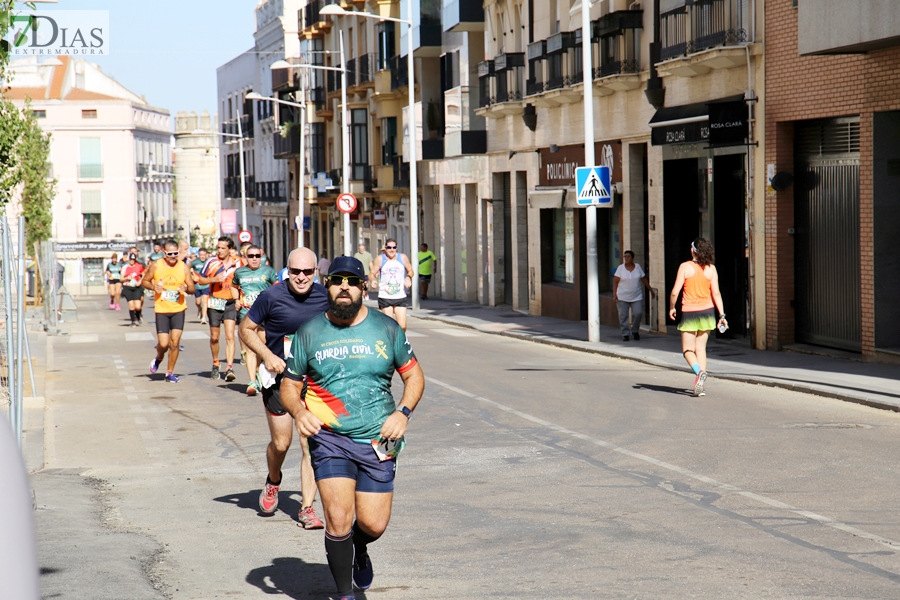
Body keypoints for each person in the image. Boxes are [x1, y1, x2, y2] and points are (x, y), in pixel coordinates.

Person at [281, 256, 424, 599]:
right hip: (329, 438)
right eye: (336, 280)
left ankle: (360, 547)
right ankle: (345, 593)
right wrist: (299, 412)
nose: (343, 287)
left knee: (373, 524)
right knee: (338, 516)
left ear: (363, 287)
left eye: (351, 281)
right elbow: (289, 384)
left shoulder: (387, 329)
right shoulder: (309, 332)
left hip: (379, 438)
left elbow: (414, 376)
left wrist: (403, 412)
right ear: (326, 285)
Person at [238, 247, 329, 529]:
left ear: (316, 272)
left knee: (310, 445)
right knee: (281, 443)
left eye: (308, 272)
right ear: (286, 270)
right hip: (278, 379)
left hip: (312, 381)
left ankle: (307, 509)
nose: (301, 277)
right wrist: (267, 356)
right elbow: (245, 329)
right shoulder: (271, 296)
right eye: (295, 271)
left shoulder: (326, 297)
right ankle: (273, 480)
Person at [668, 238, 728, 397]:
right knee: (701, 348)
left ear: (693, 251)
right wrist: (722, 315)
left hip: (689, 312)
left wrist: (672, 307)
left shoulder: (685, 267)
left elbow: (675, 292)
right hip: (707, 312)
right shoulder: (711, 269)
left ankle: (699, 373)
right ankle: (700, 382)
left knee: (687, 350)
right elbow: (716, 293)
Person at [142, 240, 194, 383]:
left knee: (175, 342)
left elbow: (192, 288)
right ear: (164, 253)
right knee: (164, 344)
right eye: (169, 254)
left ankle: (169, 372)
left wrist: (186, 289)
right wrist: (154, 288)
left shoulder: (183, 267)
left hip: (178, 309)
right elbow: (144, 281)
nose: (172, 256)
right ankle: (159, 357)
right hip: (162, 309)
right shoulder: (156, 265)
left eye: (175, 253)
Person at [233, 245, 278, 395]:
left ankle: (259, 373)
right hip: (246, 314)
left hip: (265, 316)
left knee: (263, 347)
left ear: (261, 257)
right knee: (250, 349)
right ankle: (252, 381)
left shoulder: (269, 271)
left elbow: (277, 288)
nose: (254, 258)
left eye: (257, 256)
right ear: (245, 257)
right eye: (251, 256)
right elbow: (234, 286)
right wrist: (236, 300)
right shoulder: (239, 272)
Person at [197, 236, 243, 381]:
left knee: (230, 336)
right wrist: (214, 279)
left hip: (230, 302)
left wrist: (240, 298)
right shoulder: (212, 262)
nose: (220, 250)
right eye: (218, 248)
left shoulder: (238, 262)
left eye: (223, 248)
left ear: (230, 249)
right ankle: (216, 363)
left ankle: (229, 367)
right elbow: (200, 279)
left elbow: (242, 280)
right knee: (214, 337)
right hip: (215, 302)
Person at [369, 238, 414, 332]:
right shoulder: (380, 259)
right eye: (389, 247)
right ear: (385, 248)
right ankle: (391, 345)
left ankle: (399, 343)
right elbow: (372, 273)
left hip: (400, 296)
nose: (391, 249)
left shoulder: (402, 257)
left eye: (394, 247)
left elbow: (410, 270)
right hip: (385, 296)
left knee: (402, 326)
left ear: (396, 248)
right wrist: (373, 280)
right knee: (389, 326)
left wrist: (408, 277)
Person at [613, 250, 655, 341]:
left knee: (638, 313)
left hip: (636, 296)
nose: (626, 258)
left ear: (633, 258)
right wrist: (614, 295)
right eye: (625, 257)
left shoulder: (638, 267)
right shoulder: (621, 268)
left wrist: (650, 290)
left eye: (628, 256)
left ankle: (635, 330)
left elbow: (643, 279)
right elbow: (615, 282)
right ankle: (625, 334)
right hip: (622, 297)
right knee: (623, 316)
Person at [121, 253, 146, 327]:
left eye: (133, 260)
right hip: (127, 287)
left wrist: (140, 281)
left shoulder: (139, 266)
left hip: (136, 287)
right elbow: (121, 279)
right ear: (129, 259)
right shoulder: (125, 267)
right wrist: (126, 278)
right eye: (131, 259)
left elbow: (144, 275)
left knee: (138, 306)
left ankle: (138, 316)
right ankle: (133, 321)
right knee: (131, 306)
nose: (132, 261)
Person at [191, 248, 211, 324]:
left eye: (204, 255)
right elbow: (189, 270)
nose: (202, 256)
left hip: (206, 285)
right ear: (198, 255)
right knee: (198, 302)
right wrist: (192, 276)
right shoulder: (194, 262)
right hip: (197, 285)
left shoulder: (208, 262)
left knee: (205, 301)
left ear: (206, 255)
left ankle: (203, 318)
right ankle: (199, 309)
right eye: (201, 255)